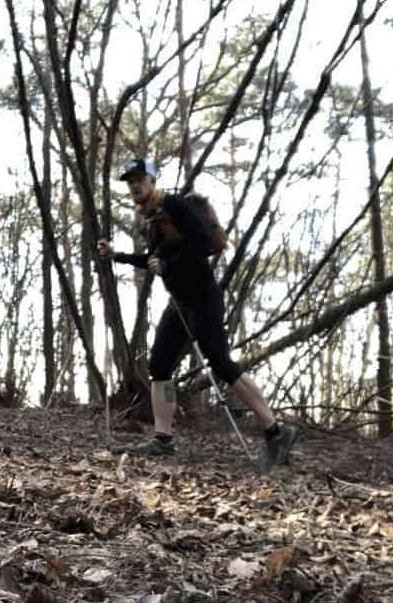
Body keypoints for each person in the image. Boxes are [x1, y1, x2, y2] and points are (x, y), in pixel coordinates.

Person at [97, 158, 298, 466]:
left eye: (139, 178)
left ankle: (275, 431)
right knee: (160, 364)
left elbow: (202, 242)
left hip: (203, 297)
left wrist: (168, 265)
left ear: (152, 180)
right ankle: (163, 440)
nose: (134, 185)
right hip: (178, 302)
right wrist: (117, 256)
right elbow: (153, 259)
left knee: (220, 363)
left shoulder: (174, 205)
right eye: (129, 181)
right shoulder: (152, 219)